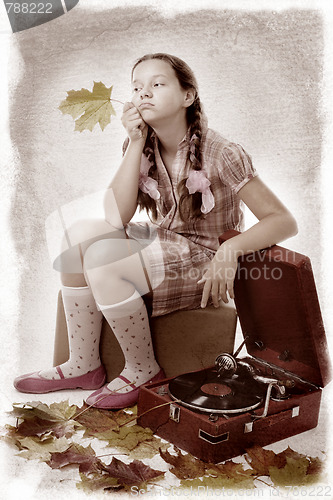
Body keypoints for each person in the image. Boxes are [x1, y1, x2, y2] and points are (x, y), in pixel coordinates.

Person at [14, 53, 298, 409]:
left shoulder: (222, 151)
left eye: (157, 84)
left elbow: (283, 220)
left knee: (105, 261)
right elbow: (115, 217)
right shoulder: (142, 144)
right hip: (166, 241)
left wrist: (230, 251)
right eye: (136, 87)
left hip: (206, 256)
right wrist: (134, 142)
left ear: (187, 96)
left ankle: (142, 368)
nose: (143, 93)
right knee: (77, 236)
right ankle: (83, 365)